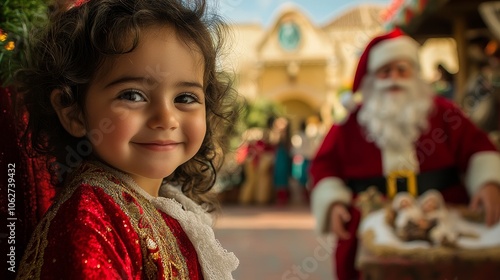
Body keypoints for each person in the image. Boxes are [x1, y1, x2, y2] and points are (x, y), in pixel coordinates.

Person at [15, 0, 239, 278]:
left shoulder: (168, 205)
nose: (166, 119)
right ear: (72, 111)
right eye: (132, 95)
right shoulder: (90, 221)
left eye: (185, 98)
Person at [309, 28, 500, 280]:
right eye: (385, 72)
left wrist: (488, 183)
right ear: (371, 79)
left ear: (415, 74)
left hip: (443, 219)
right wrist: (332, 202)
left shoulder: (445, 113)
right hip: (371, 224)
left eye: (402, 70)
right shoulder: (350, 123)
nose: (394, 79)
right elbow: (324, 166)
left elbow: (479, 148)